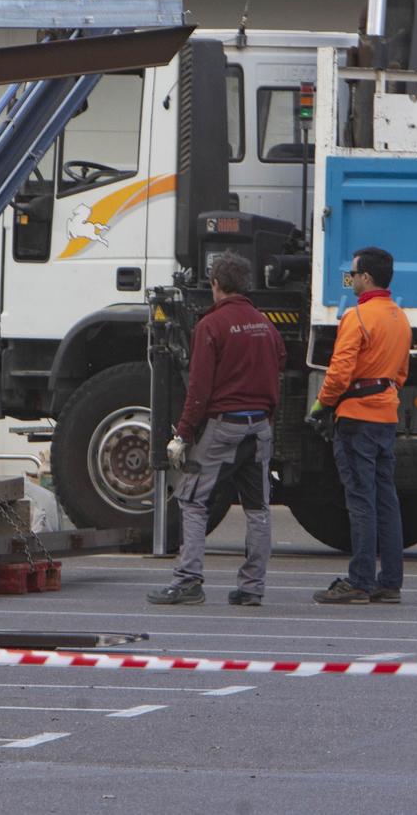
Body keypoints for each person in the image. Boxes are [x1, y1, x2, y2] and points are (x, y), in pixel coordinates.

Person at [148, 252, 281, 607]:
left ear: (216, 284)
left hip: (225, 428)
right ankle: (253, 587)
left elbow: (199, 389)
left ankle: (188, 580)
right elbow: (277, 372)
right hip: (260, 428)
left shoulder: (212, 326)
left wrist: (183, 435)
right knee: (257, 508)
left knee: (192, 500)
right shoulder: (265, 325)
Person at [312, 246, 410, 606]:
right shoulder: (400, 318)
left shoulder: (358, 317)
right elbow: (400, 373)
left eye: (353, 274)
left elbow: (339, 373)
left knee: (360, 501)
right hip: (386, 417)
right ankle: (391, 582)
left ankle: (359, 582)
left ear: (366, 277)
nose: (351, 279)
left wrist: (322, 403)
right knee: (387, 500)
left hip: (356, 419)